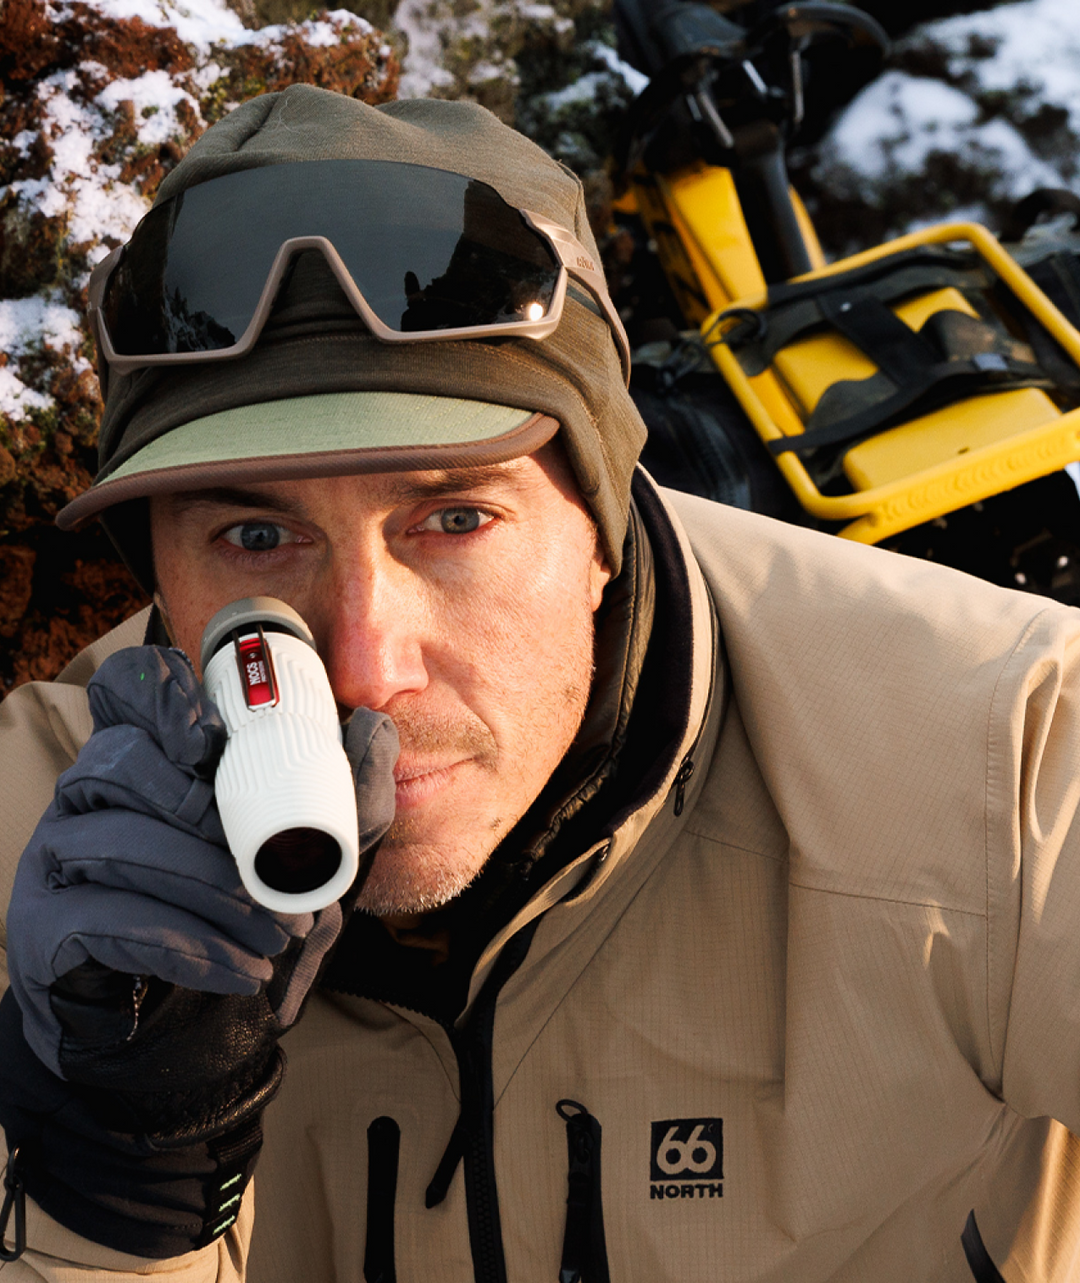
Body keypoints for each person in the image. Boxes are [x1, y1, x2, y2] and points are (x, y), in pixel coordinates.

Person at [1, 83, 1080, 1283]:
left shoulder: (1004, 756)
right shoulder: (37, 853)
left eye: (454, 518)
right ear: (151, 566)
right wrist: (114, 1179)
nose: (365, 667)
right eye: (256, 540)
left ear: (604, 520)